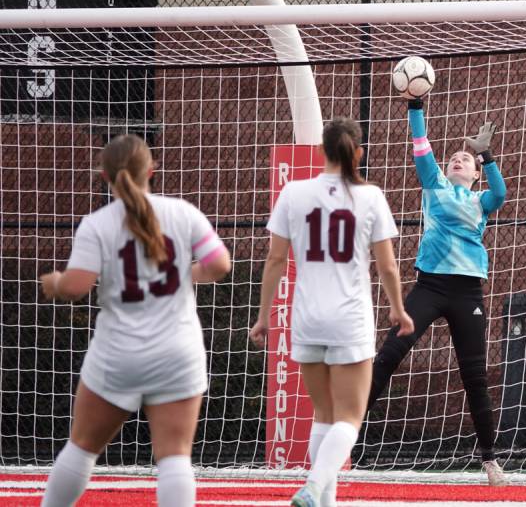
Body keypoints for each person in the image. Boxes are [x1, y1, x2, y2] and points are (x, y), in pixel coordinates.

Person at [39, 134, 232, 507]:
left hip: (118, 354)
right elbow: (220, 264)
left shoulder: (97, 224)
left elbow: (77, 286)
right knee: (175, 456)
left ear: (104, 177)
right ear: (152, 171)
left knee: (82, 448)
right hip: (178, 351)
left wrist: (55, 282)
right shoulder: (183, 212)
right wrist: (186, 273)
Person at [249, 118, 413, 507]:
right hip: (349, 318)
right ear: (358, 151)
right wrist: (398, 308)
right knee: (349, 419)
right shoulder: (369, 196)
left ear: (322, 150)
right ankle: (311, 486)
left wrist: (263, 316)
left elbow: (274, 260)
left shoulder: (294, 192)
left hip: (305, 317)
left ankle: (324, 501)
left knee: (323, 415)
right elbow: (387, 266)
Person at [366, 97, 508, 486]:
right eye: (454, 159)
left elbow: (502, 194)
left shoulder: (482, 200)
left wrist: (487, 157)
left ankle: (491, 461)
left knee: (475, 376)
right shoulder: (435, 186)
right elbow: (421, 144)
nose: (458, 160)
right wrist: (415, 105)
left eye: (466, 159)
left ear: (475, 173)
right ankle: (344, 435)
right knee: (389, 355)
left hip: (467, 295)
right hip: (430, 286)